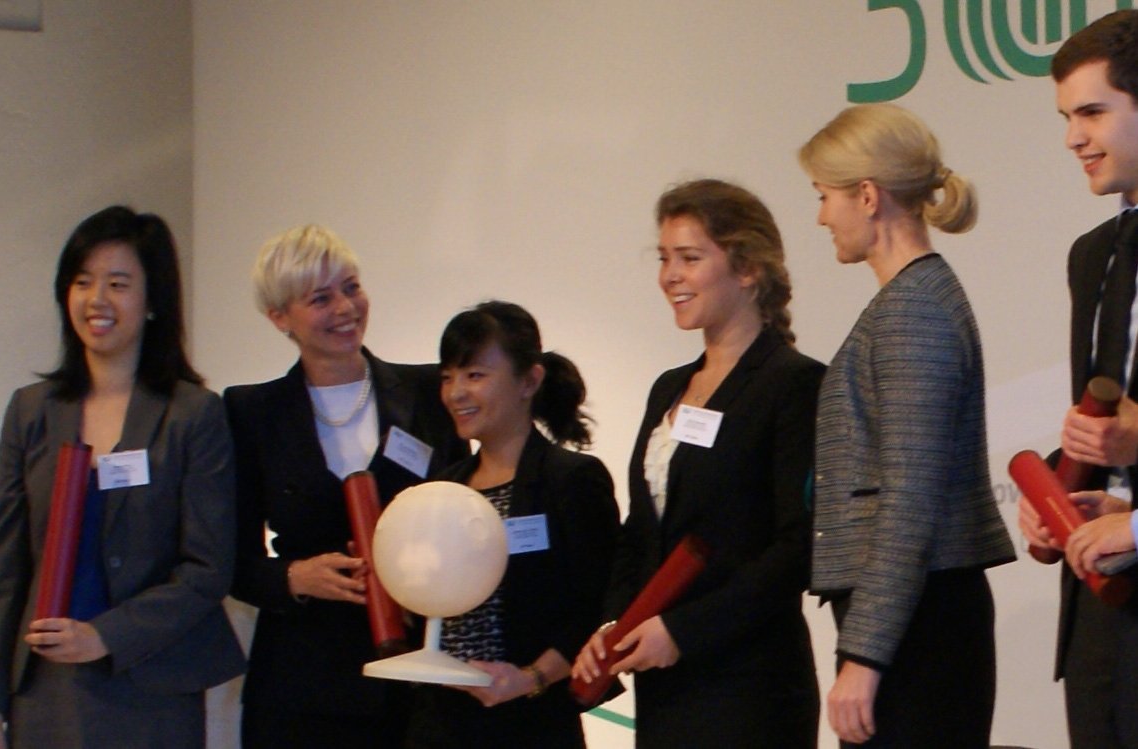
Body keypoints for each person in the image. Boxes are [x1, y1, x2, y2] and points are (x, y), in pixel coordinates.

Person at [0, 206, 246, 748]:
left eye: (118, 284)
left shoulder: (194, 414)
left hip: (151, 689)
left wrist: (105, 635)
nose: (97, 299)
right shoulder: (30, 411)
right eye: (82, 281)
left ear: (152, 301)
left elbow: (207, 569)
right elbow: (6, 572)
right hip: (44, 690)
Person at [572, 179, 823, 748]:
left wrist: (683, 631)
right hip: (666, 689)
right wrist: (615, 624)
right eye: (664, 258)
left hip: (750, 686)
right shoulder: (668, 388)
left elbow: (798, 548)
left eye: (689, 258)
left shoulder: (793, 383)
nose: (670, 276)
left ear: (747, 268)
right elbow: (642, 530)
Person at [798, 103, 1015, 748]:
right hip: (914, 618)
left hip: (916, 628)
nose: (820, 216)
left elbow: (910, 498)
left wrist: (865, 657)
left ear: (867, 196)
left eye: (824, 195)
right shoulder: (914, 299)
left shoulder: (912, 309)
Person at [224, 224, 467, 749]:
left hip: (415, 681)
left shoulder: (429, 392)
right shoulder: (252, 412)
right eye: (321, 298)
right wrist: (295, 576)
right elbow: (231, 561)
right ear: (280, 317)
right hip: (301, 686)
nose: (345, 307)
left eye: (352, 288)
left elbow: (466, 523)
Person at [405, 301, 619, 749]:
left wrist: (531, 677)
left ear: (529, 381)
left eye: (474, 375)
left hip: (530, 722)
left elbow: (595, 606)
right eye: (447, 377)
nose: (455, 393)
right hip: (440, 725)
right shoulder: (444, 488)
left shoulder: (570, 479)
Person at [1018, 10, 1138, 748]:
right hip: (1099, 606)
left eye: (1092, 112)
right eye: (1066, 117)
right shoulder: (1092, 254)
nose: (1073, 137)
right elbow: (1102, 422)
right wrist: (1069, 498)